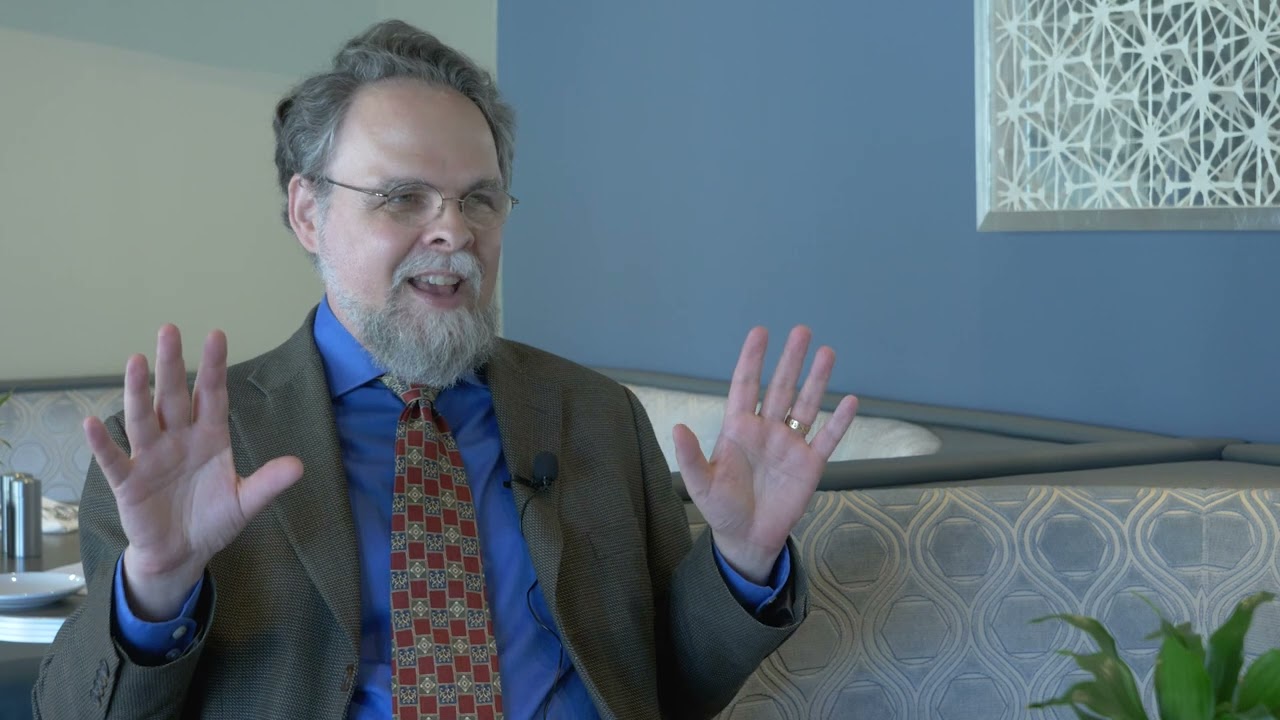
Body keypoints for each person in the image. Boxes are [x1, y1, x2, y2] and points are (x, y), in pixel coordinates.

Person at [33, 19, 859, 720]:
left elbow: (669, 687)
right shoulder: (186, 447)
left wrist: (743, 562)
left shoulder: (597, 415)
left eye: (479, 199)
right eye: (403, 197)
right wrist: (155, 593)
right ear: (309, 214)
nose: (454, 232)